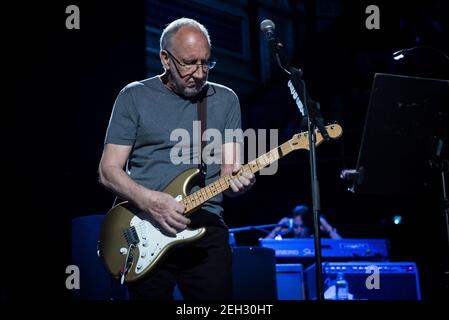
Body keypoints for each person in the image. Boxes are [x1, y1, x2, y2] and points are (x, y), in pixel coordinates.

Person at [98, 18, 255, 300]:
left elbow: (232, 173)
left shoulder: (226, 100)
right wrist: (152, 202)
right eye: (189, 63)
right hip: (146, 227)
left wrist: (241, 183)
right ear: (165, 59)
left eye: (206, 63)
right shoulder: (134, 96)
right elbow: (108, 171)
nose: (199, 73)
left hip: (206, 230)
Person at [265, 205, 342, 239]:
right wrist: (277, 228)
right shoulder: (285, 242)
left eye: (302, 226)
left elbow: (343, 247)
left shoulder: (319, 244)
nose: (299, 231)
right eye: (295, 227)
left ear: (309, 226)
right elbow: (263, 247)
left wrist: (327, 227)